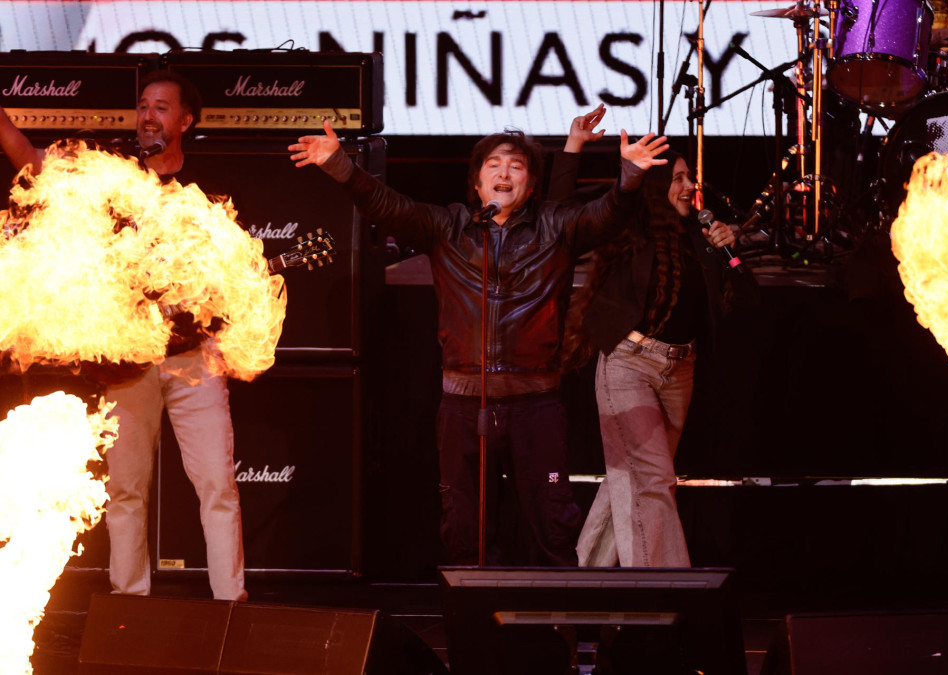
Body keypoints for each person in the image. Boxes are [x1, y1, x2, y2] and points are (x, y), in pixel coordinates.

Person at [289, 108, 668, 566]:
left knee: (552, 529)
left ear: (530, 187)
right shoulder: (445, 227)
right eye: (494, 165)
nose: (504, 172)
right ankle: (476, 636)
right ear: (477, 183)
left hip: (536, 408)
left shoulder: (556, 228)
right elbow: (385, 203)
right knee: (466, 535)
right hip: (464, 407)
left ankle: (561, 634)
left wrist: (628, 176)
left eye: (516, 166)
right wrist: (340, 165)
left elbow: (606, 216)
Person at [0, 70, 247, 601]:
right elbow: (34, 165)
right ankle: (129, 607)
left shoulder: (209, 190)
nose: (148, 115)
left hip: (193, 362)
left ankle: (233, 606)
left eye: (161, 106)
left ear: (184, 121)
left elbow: (230, 275)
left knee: (218, 488)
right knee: (125, 491)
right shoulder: (110, 176)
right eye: (142, 106)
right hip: (126, 362)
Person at [559, 146, 759, 568]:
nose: (690, 188)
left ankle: (580, 594)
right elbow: (567, 209)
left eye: (690, 178)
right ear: (654, 187)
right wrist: (619, 169)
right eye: (679, 179)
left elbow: (745, 302)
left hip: (678, 372)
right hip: (630, 364)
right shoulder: (628, 227)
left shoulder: (701, 239)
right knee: (653, 482)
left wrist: (730, 251)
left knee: (629, 480)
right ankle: (667, 597)